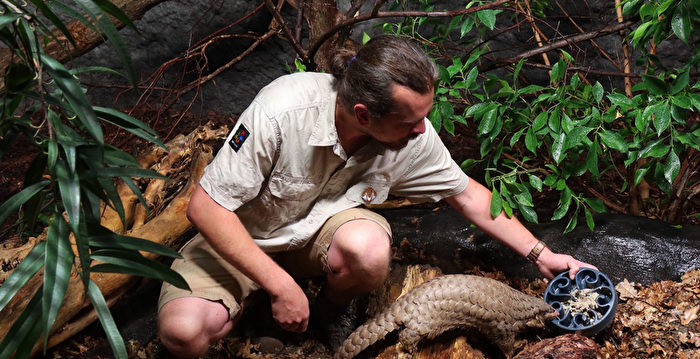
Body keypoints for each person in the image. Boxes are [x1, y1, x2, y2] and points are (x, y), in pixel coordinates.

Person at [156, 35, 596, 358]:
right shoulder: (283, 109)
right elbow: (205, 207)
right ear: (364, 114)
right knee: (184, 333)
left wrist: (542, 255)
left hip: (317, 241)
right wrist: (280, 285)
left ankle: (329, 311)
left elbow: (466, 194)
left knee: (368, 250)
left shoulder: (411, 134)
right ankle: (255, 303)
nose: (423, 129)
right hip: (245, 240)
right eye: (411, 121)